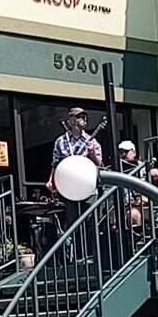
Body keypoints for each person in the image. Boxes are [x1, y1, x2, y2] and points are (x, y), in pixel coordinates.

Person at [46, 106, 103, 252]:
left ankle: (92, 254)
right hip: (70, 187)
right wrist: (51, 181)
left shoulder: (91, 140)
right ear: (71, 121)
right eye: (79, 117)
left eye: (84, 117)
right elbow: (56, 163)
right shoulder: (61, 141)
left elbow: (98, 164)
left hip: (87, 185)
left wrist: (91, 152)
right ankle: (74, 255)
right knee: (72, 221)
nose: (83, 120)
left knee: (91, 220)